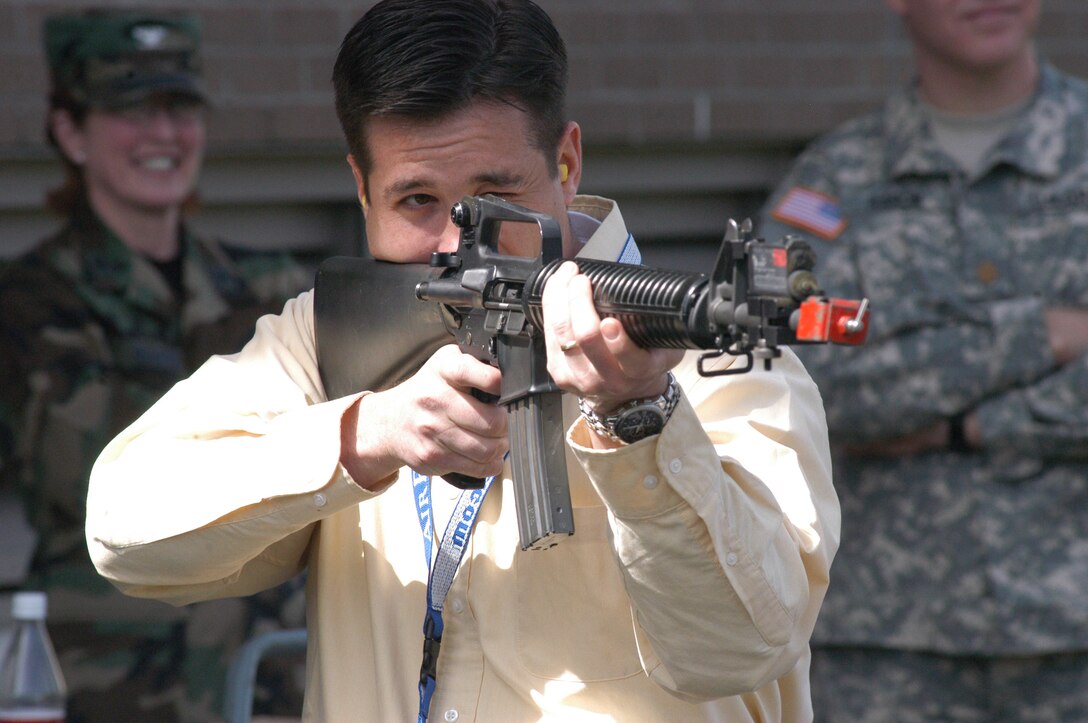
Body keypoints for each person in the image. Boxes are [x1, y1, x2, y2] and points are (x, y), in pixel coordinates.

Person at [85, 1, 839, 721]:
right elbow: (122, 530)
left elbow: (740, 650)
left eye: (495, 196)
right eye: (417, 199)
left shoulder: (718, 372)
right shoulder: (329, 343)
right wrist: (365, 436)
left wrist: (641, 417)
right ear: (360, 189)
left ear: (568, 161)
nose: (456, 244)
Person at [759, 0, 1088, 720]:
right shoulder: (830, 187)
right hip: (888, 645)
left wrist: (959, 425)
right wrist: (1043, 334)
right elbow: (804, 380)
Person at [0, 9, 310, 722]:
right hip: (115, 684)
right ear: (70, 132)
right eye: (130, 110)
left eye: (179, 108)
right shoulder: (31, 301)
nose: (163, 134)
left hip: (270, 675)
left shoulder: (265, 287)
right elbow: (95, 471)